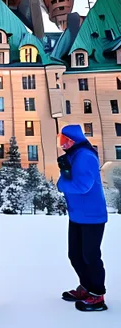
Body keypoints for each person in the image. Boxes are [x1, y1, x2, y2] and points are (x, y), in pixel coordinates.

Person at [57, 124, 108, 312]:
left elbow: (83, 186)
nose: (61, 145)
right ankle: (86, 287)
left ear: (73, 140)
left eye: (64, 141)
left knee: (90, 256)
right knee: (76, 255)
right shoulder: (74, 155)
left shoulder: (85, 156)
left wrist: (61, 184)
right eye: (60, 140)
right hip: (78, 214)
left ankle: (97, 295)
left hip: (92, 216)